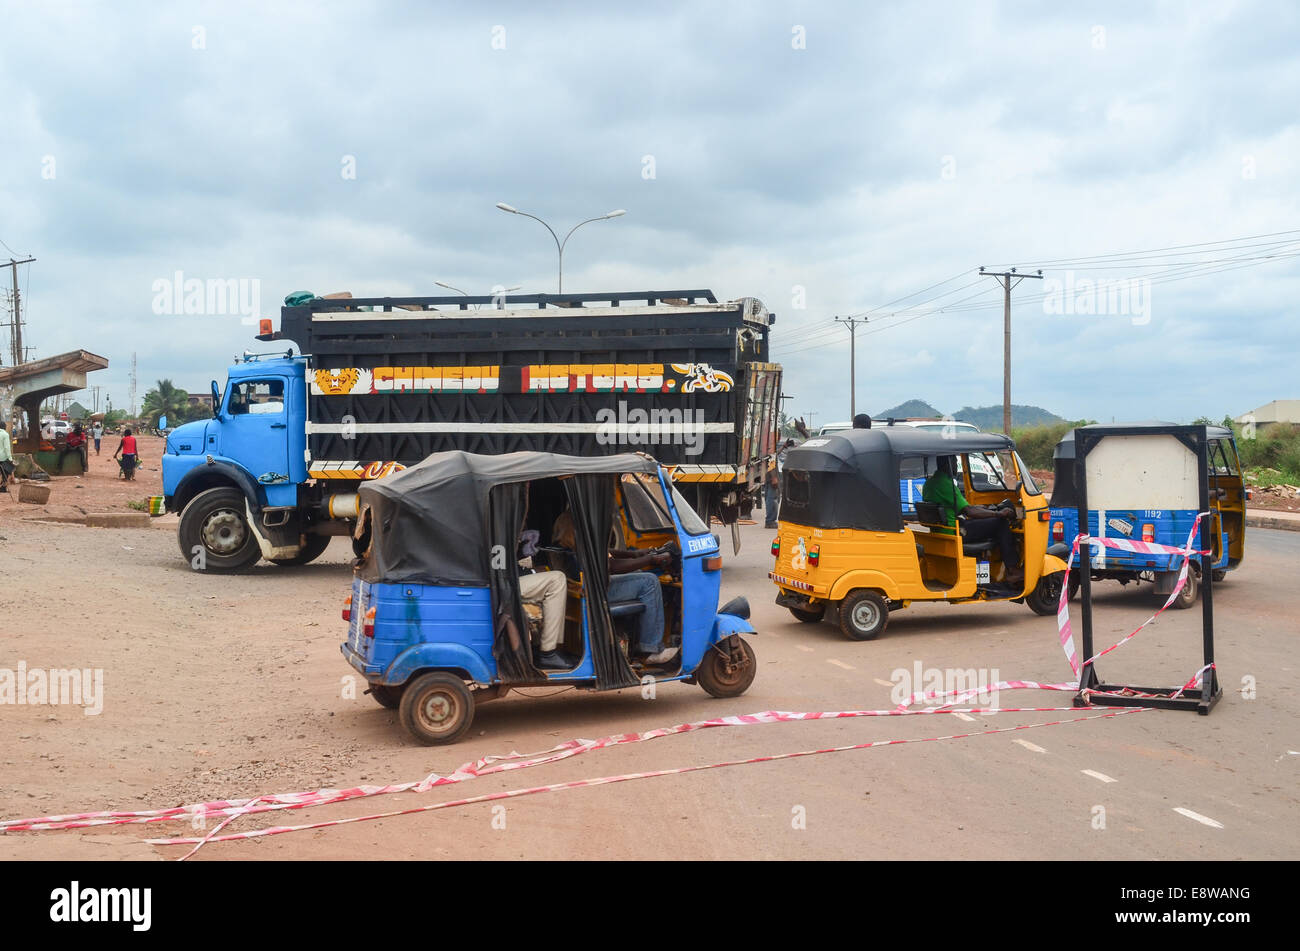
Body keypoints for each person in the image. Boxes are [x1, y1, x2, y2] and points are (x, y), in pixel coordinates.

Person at [553, 510, 676, 664]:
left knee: (638, 573)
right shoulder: (583, 546)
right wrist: (650, 559)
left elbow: (604, 554)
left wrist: (634, 555)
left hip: (585, 589)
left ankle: (635, 642)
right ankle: (651, 649)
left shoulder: (567, 545)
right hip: (597, 592)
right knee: (650, 581)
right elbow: (612, 566)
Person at [921, 455, 1022, 585]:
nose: (956, 467)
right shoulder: (946, 484)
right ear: (948, 463)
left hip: (941, 530)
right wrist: (999, 514)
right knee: (1000, 524)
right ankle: (1013, 570)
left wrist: (984, 509)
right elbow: (969, 511)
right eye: (955, 462)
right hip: (955, 531)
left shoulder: (930, 483)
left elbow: (959, 507)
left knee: (989, 522)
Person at [0, 422, 13, 493]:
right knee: (7, 470)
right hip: (3, 458)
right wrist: (10, 458)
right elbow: (7, 448)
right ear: (5, 427)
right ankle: (3, 487)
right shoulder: (5, 434)